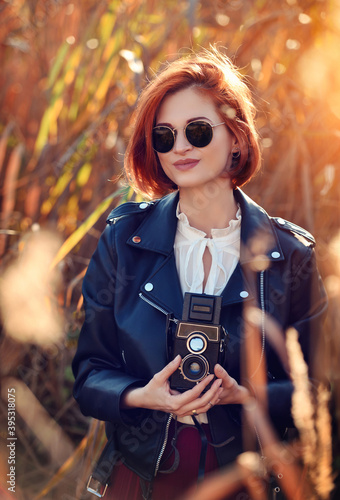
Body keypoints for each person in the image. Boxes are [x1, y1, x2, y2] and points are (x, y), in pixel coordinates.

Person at [72, 48, 327, 500]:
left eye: (196, 131)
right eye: (164, 137)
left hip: (244, 482)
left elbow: (319, 389)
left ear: (236, 138)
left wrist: (247, 395)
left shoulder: (290, 256)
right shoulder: (123, 240)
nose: (181, 147)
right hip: (140, 477)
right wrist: (141, 396)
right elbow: (90, 374)